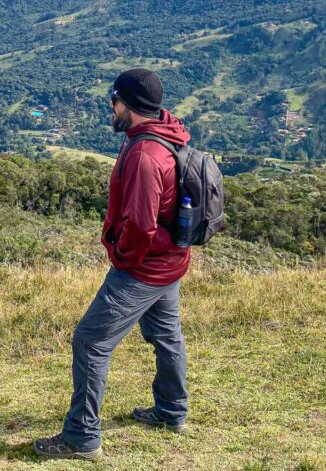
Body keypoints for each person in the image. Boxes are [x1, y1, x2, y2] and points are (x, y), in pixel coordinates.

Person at [34, 68, 191, 461]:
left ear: (129, 105)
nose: (111, 108)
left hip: (143, 269)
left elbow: (140, 224)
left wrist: (121, 258)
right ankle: (172, 411)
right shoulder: (165, 132)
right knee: (166, 336)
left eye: (114, 101)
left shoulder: (143, 155)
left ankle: (81, 438)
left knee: (91, 341)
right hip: (169, 262)